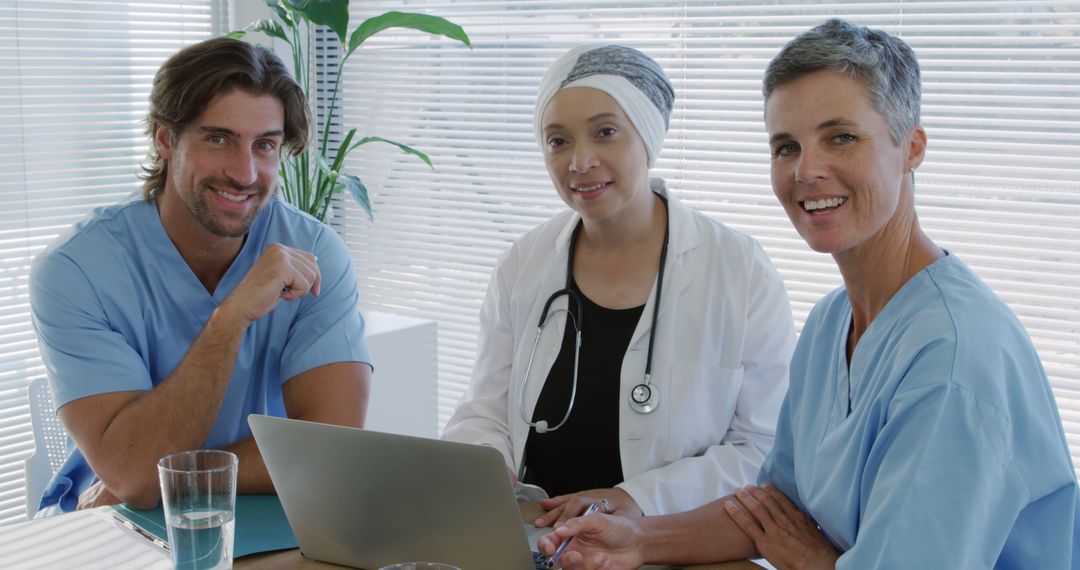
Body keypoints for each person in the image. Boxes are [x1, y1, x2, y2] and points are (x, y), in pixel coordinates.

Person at [538, 19, 1080, 569]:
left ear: (911, 147)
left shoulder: (954, 363)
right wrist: (639, 540)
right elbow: (773, 508)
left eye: (841, 137)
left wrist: (813, 557)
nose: (807, 170)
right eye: (786, 146)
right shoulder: (832, 321)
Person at [442, 44, 795, 528]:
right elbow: (484, 411)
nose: (579, 161)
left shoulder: (740, 271)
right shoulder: (523, 263)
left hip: (667, 546)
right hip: (537, 538)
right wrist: (486, 464)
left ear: (648, 136)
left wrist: (637, 498)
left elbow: (761, 448)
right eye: (557, 141)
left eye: (605, 133)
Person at [29, 37, 373, 513]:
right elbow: (132, 478)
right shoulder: (77, 271)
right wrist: (231, 318)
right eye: (218, 139)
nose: (245, 172)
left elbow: (331, 449)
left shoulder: (314, 253)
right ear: (165, 138)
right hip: (111, 519)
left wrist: (173, 475)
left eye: (265, 145)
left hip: (260, 513)